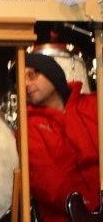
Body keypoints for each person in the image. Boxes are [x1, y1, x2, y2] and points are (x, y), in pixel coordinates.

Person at [25, 52, 101, 222]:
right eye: (20, 80)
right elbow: (48, 182)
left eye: (31, 75)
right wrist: (86, 207)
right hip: (67, 217)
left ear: (52, 74)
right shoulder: (27, 128)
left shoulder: (94, 105)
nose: (25, 84)